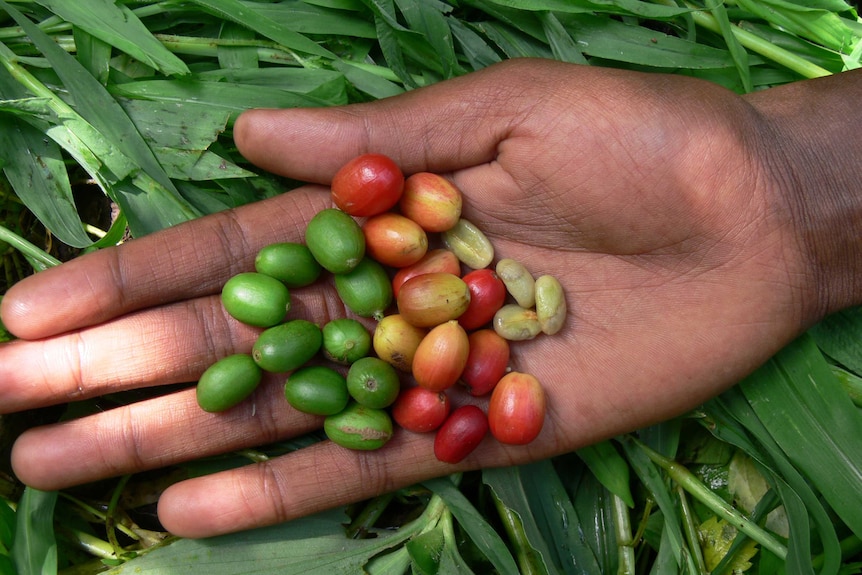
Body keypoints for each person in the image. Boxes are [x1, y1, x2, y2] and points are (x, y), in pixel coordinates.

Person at [0, 58, 860, 539]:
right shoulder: (409, 307)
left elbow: (434, 308)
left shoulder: (443, 302)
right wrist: (793, 182)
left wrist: (779, 185)